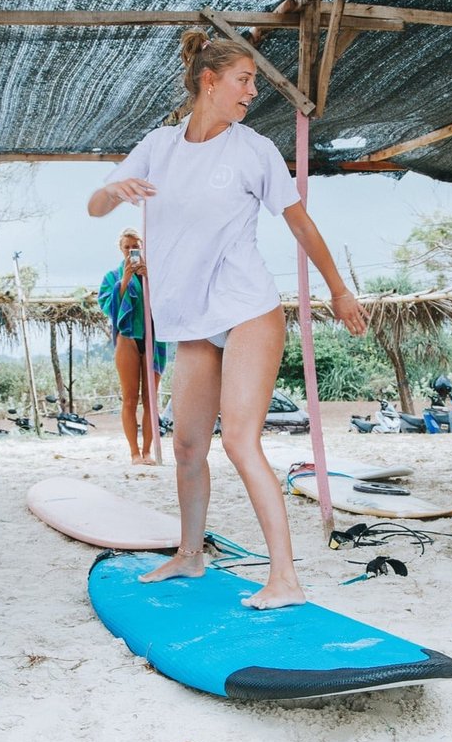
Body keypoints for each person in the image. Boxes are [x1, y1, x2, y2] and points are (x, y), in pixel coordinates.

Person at [87, 30, 368, 607]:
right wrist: (114, 190)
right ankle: (190, 555)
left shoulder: (253, 149)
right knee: (188, 447)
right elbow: (95, 204)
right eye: (244, 80)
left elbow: (299, 222)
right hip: (189, 320)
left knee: (240, 440)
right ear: (208, 81)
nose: (251, 93)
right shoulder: (160, 146)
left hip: (247, 309)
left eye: (255, 83)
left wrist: (338, 290)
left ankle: (286, 578)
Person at [98, 228, 167, 464]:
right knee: (130, 398)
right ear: (121, 249)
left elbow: (168, 302)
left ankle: (148, 451)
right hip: (127, 339)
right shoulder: (111, 277)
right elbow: (108, 306)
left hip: (153, 339)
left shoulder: (154, 274)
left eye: (135, 247)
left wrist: (151, 279)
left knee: (150, 398)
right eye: (127, 247)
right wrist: (125, 280)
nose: (131, 251)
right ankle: (134, 453)